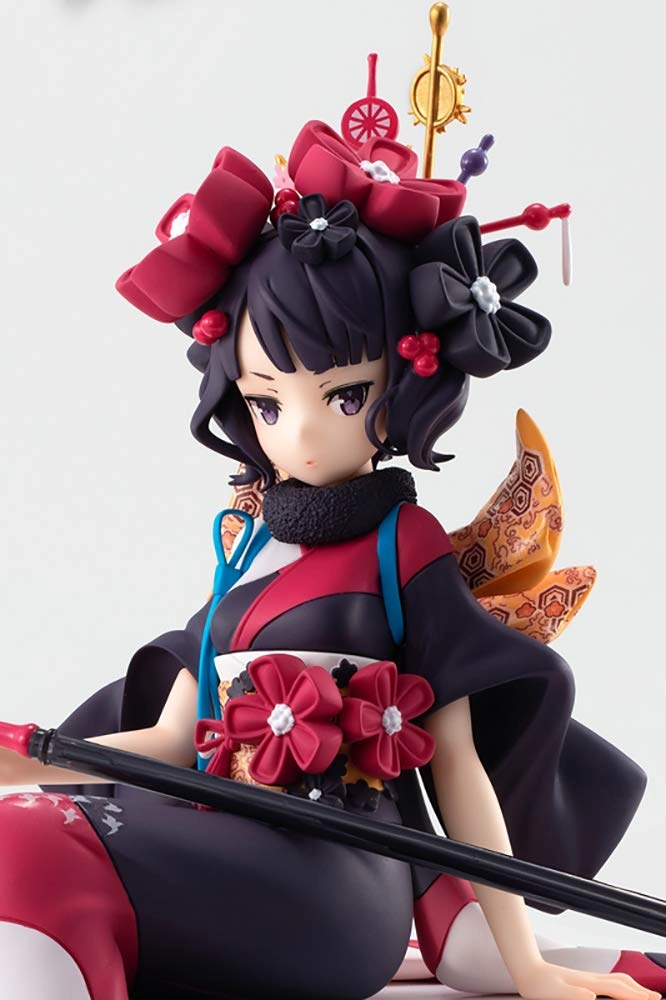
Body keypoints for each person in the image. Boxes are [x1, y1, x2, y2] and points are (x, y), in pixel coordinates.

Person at [0, 122, 664, 1000]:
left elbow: (457, 768)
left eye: (345, 395)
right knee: (20, 828)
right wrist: (24, 761)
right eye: (268, 403)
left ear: (409, 382)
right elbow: (169, 741)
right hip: (227, 839)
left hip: (340, 876)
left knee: (29, 843)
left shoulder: (400, 546)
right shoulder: (245, 553)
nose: (303, 432)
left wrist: (529, 965)